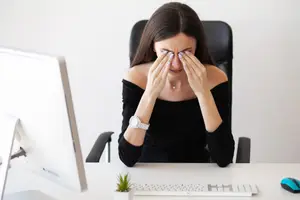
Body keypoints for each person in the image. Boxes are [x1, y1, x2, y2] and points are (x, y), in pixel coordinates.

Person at [118, 2, 235, 167]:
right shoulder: (136, 77)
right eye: (165, 53)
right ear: (153, 47)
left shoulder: (215, 78)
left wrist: (203, 93)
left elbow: (224, 157)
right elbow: (127, 157)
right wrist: (150, 93)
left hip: (196, 173)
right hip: (149, 173)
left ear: (197, 47)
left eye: (185, 53)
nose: (176, 64)